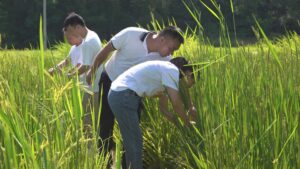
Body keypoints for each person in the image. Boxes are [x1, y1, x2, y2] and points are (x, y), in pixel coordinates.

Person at [86, 26, 184, 167]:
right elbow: (106, 50)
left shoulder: (166, 60)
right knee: (105, 126)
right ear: (162, 39)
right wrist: (92, 70)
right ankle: (104, 164)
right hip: (110, 80)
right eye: (171, 48)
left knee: (132, 133)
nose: (172, 53)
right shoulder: (131, 34)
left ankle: (129, 166)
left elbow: (162, 90)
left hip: (132, 94)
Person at [107, 57, 197, 169]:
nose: (192, 85)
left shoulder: (166, 77)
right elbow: (176, 103)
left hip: (121, 94)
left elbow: (163, 109)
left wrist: (180, 123)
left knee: (133, 141)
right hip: (124, 95)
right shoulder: (172, 70)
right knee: (134, 142)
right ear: (188, 73)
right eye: (194, 81)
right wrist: (187, 122)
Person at [48, 12, 103, 136]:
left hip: (91, 90)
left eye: (71, 33)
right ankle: (91, 150)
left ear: (78, 27)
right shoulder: (87, 39)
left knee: (89, 124)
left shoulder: (88, 42)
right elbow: (68, 61)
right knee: (86, 122)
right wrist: (55, 69)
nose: (70, 37)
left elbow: (85, 67)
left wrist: (68, 76)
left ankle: (92, 151)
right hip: (86, 88)